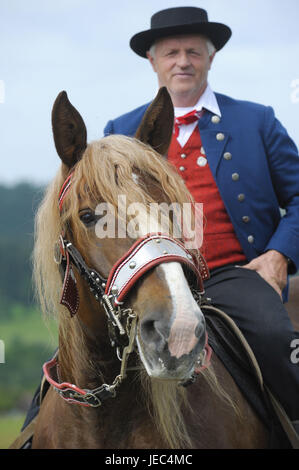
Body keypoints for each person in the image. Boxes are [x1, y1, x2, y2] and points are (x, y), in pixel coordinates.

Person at [103, 7, 299, 437]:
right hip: (147, 280)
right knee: (80, 353)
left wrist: (278, 254)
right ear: (153, 61)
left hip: (235, 275)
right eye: (171, 52)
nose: (183, 61)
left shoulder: (257, 121)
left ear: (211, 58)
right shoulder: (120, 132)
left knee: (274, 337)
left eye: (193, 51)